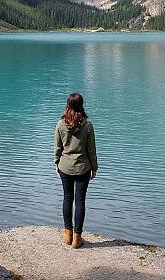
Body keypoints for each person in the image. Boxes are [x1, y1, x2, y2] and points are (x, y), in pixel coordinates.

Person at [54, 92, 98, 249]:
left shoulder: (60, 124)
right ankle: (77, 238)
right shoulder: (87, 125)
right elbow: (91, 150)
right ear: (81, 106)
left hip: (65, 167)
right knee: (79, 201)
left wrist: (56, 163)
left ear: (68, 105)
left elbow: (58, 148)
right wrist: (94, 167)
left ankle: (67, 234)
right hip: (82, 168)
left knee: (67, 198)